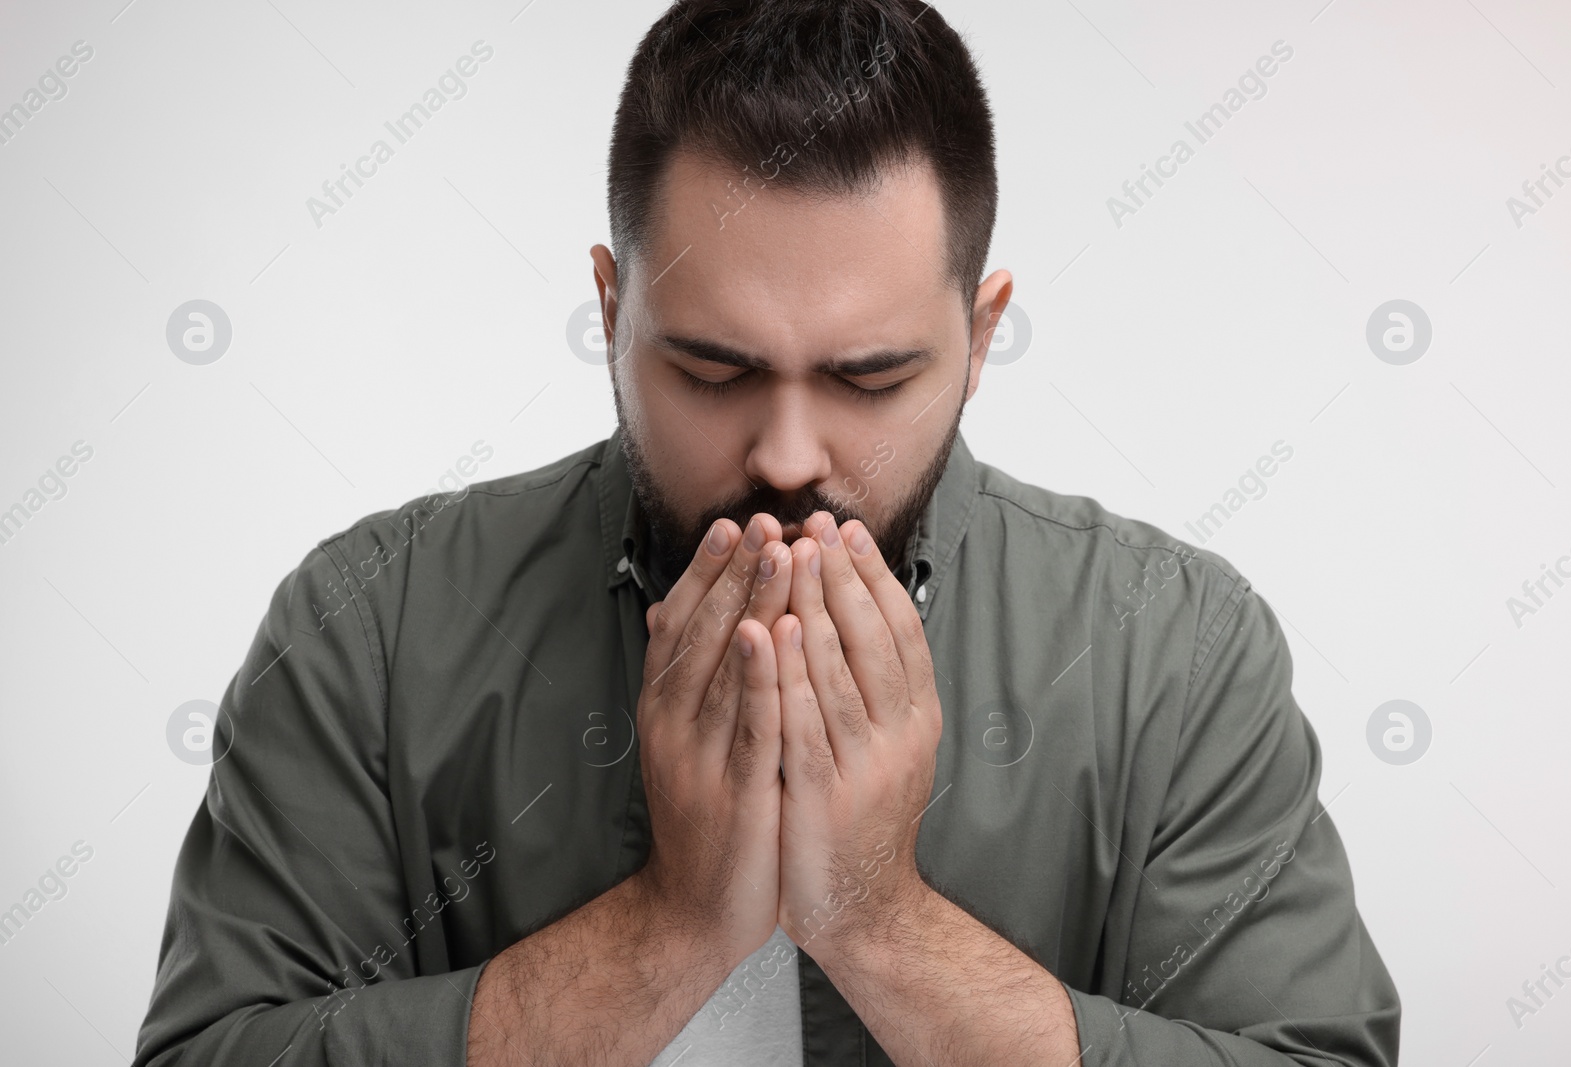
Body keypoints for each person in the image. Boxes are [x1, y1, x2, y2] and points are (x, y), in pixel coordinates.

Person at [133, 1, 1401, 1064]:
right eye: (711, 368)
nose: (787, 454)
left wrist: (881, 919)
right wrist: (670, 926)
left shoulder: (1175, 650)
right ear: (610, 307)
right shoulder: (372, 623)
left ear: (981, 335)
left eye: (867, 378)